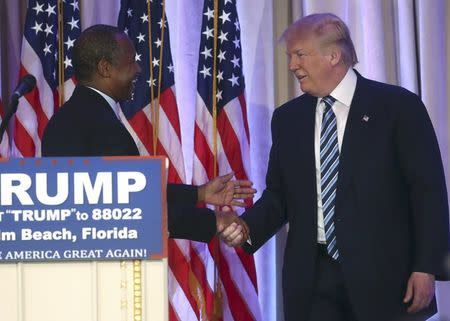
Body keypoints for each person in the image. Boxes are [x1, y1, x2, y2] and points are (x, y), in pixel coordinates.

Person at [219, 13, 449, 321]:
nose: (292, 66)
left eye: (300, 55)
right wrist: (246, 228)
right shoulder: (288, 119)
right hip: (314, 278)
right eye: (290, 57)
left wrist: (426, 267)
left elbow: (427, 193)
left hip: (385, 277)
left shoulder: (397, 107)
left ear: (333, 55)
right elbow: (279, 196)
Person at [41, 24, 250, 241]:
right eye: (131, 61)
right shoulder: (103, 127)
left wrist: (200, 193)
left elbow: (126, 189)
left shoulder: (65, 119)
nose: (138, 69)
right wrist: (215, 221)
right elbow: (132, 205)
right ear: (105, 68)